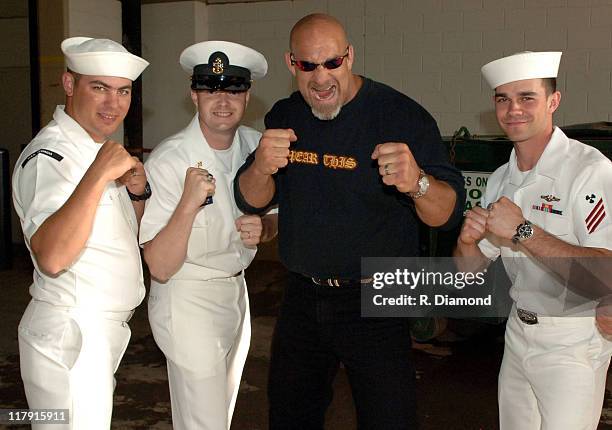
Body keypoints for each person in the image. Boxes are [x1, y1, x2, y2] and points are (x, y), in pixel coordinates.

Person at [234, 13, 465, 429]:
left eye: (332, 63)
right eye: (308, 65)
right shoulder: (286, 116)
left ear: (349, 56)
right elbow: (252, 198)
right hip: (303, 294)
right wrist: (261, 169)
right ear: (291, 64)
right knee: (289, 417)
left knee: (389, 419)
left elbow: (447, 215)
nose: (321, 78)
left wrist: (417, 184)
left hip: (375, 296)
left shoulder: (401, 116)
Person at [454, 51, 612, 429]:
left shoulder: (589, 171)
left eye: (527, 97)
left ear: (553, 102)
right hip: (517, 335)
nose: (513, 110)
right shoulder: (500, 179)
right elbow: (470, 271)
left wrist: (524, 231)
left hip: (572, 342)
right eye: (502, 99)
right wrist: (466, 242)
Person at [12, 37, 149, 429]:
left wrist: (137, 191)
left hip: (94, 336)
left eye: (123, 91)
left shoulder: (94, 149)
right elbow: (52, 256)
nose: (113, 103)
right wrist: (98, 173)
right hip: (72, 335)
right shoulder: (51, 157)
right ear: (69, 85)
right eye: (99, 88)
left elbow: (115, 236)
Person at [139, 41, 278, 430]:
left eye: (233, 88)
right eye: (210, 88)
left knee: (222, 413)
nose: (222, 99)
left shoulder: (255, 145)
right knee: (204, 422)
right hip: (188, 296)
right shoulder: (169, 159)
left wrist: (267, 226)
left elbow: (279, 214)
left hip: (237, 292)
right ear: (193, 94)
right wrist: (187, 203)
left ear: (247, 96)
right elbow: (160, 266)